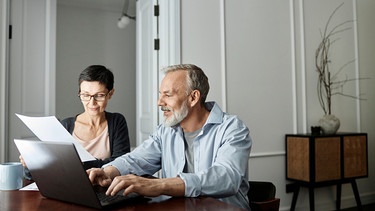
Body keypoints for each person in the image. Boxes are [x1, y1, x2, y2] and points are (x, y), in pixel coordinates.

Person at [87, 64, 252, 209]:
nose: (159, 102)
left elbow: (227, 177)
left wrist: (159, 185)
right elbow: (135, 159)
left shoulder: (232, 128)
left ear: (193, 97)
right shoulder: (166, 130)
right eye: (160, 94)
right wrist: (107, 172)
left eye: (168, 94)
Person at [20, 65, 131, 176]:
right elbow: (48, 170)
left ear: (110, 94)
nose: (92, 103)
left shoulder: (117, 122)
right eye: (85, 95)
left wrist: (78, 165)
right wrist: (30, 165)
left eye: (99, 95)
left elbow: (121, 164)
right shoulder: (65, 126)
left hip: (105, 189)